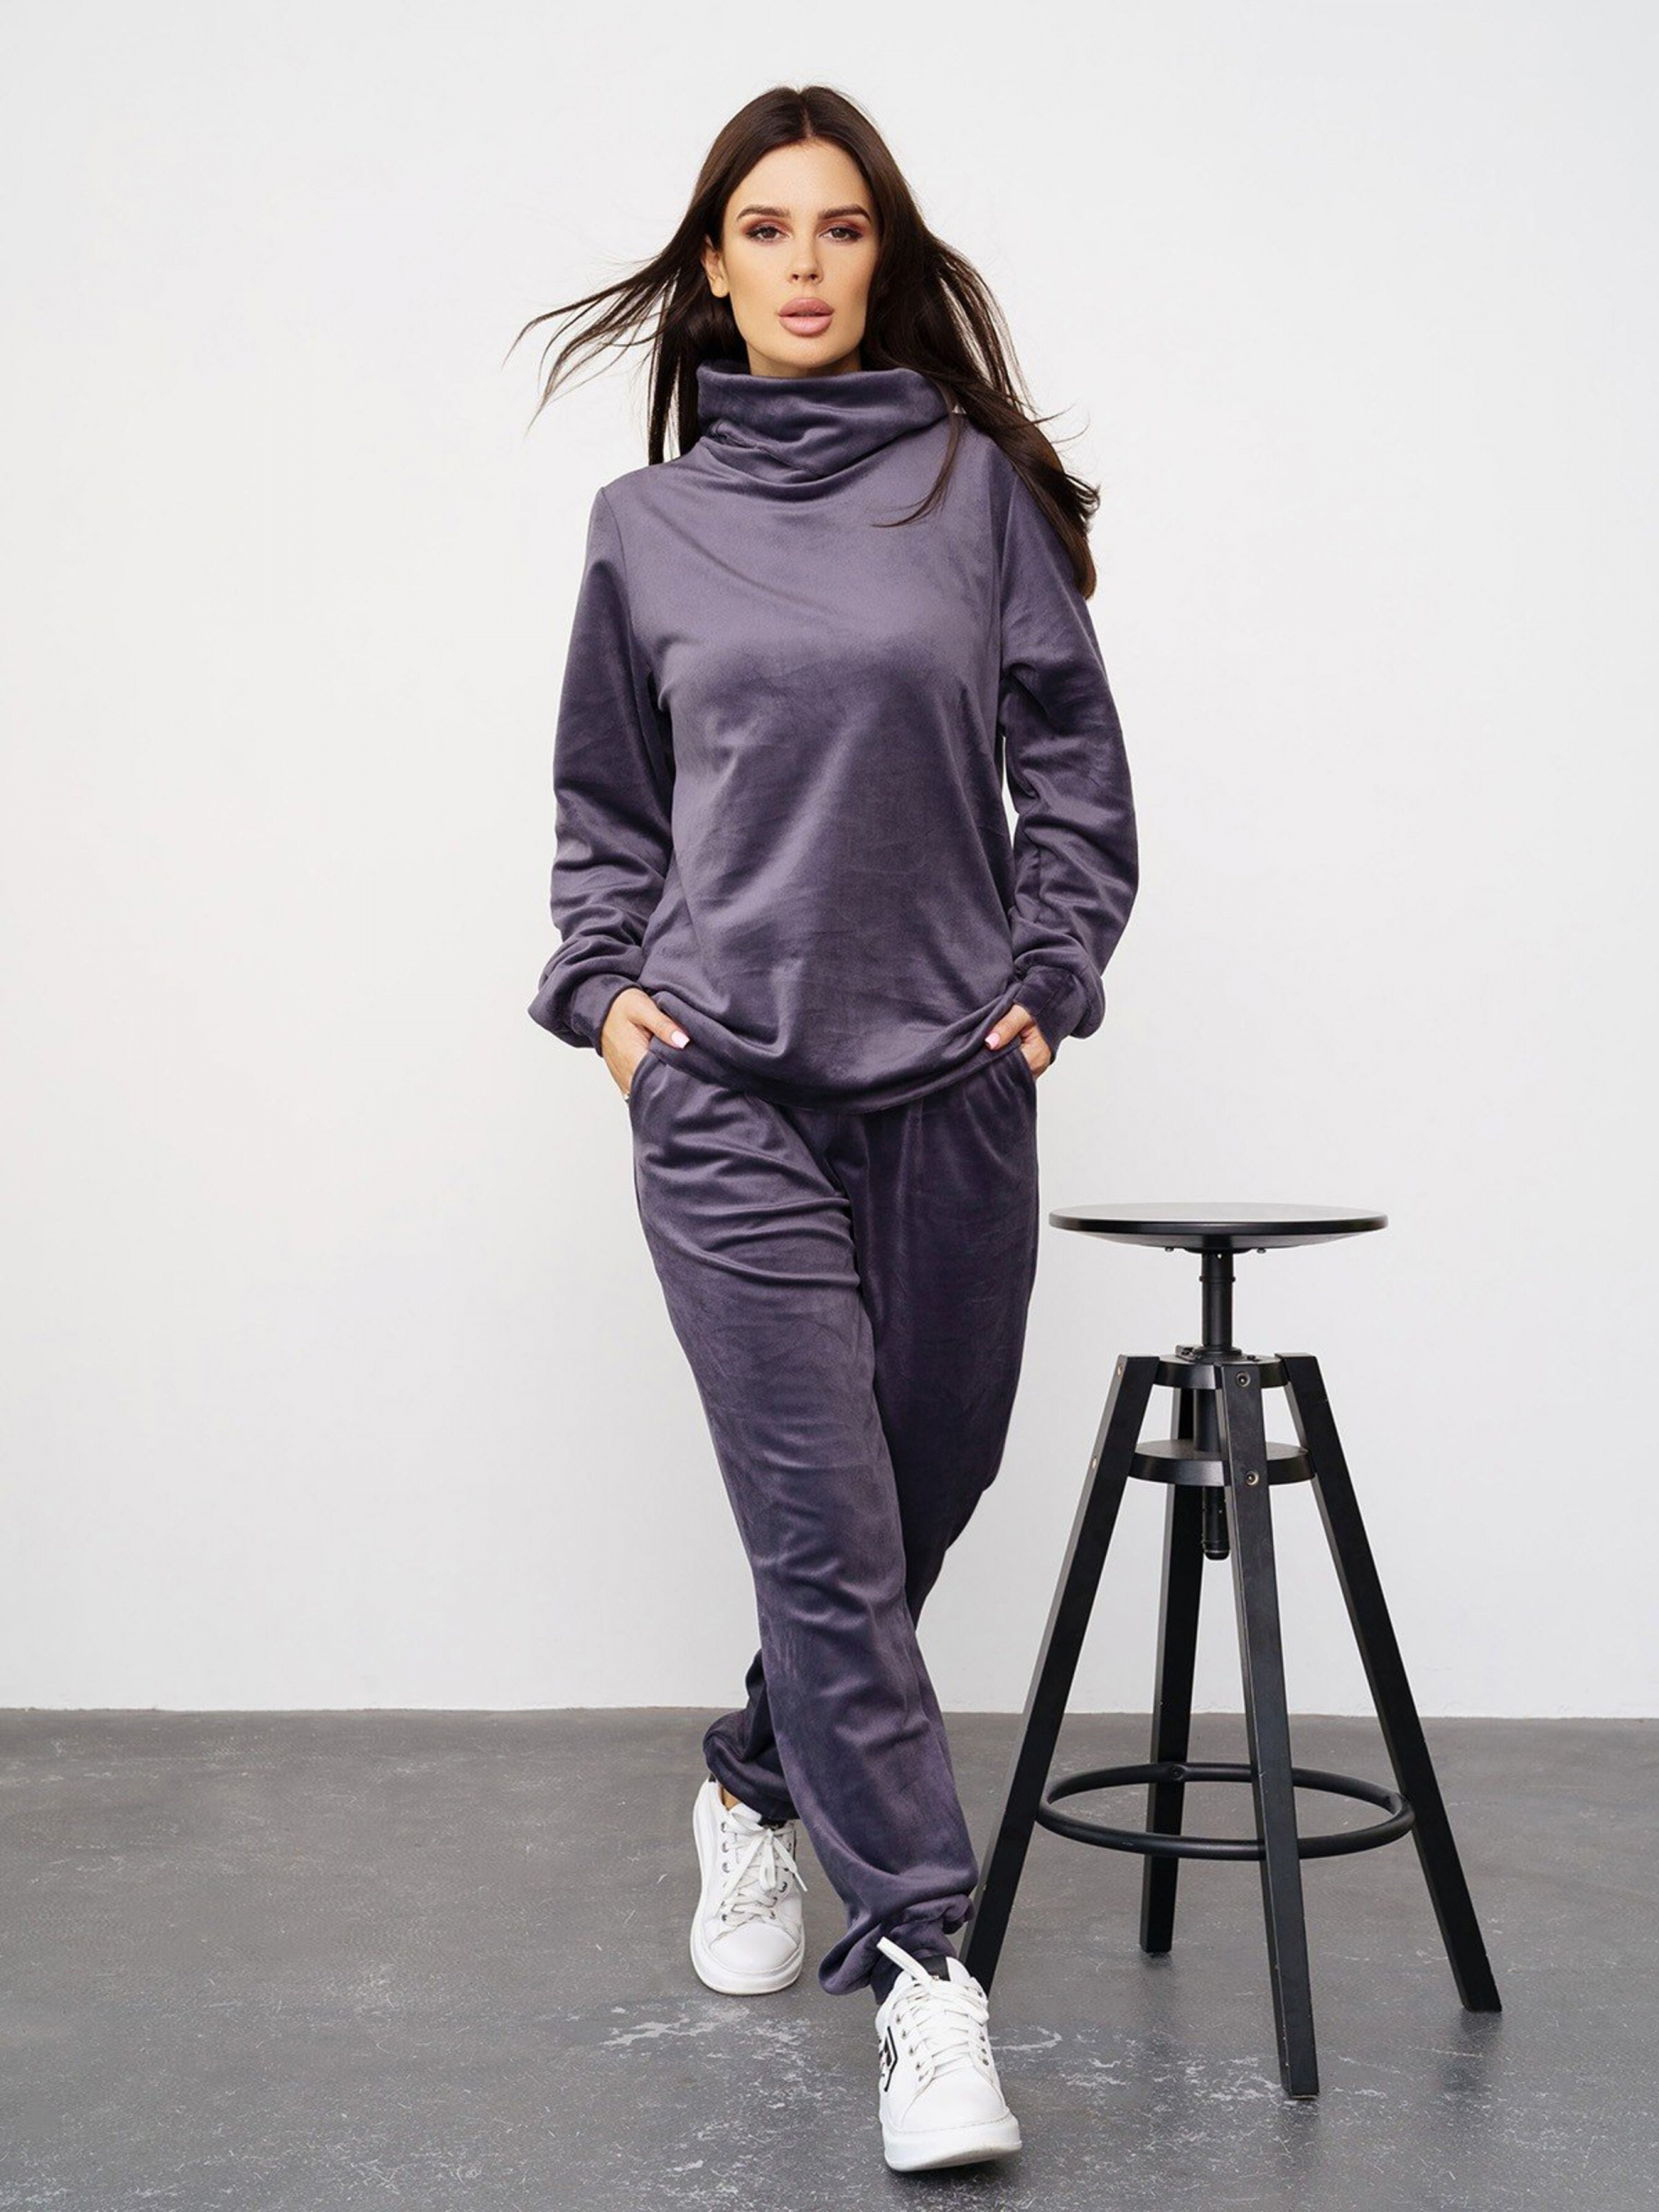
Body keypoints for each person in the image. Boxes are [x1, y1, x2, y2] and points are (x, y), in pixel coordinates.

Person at [514, 84, 1139, 2174]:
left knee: (922, 1484)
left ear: (883, 257)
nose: (802, 262)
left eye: (840, 227)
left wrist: (1046, 981)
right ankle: (927, 1982)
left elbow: (1075, 772)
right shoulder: (644, 525)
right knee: (823, 1532)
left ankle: (749, 1777)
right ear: (713, 268)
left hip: (950, 1082)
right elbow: (605, 807)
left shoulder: (970, 496)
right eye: (765, 229)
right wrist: (612, 1007)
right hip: (722, 1092)